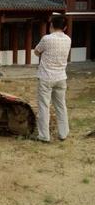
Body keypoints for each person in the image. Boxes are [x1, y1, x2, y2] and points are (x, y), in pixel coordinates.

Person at [34, 14, 71, 142]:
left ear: (51, 25)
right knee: (61, 105)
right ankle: (63, 133)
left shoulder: (46, 39)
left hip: (46, 77)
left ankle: (44, 135)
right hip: (61, 77)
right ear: (65, 27)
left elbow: (36, 51)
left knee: (44, 106)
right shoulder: (68, 40)